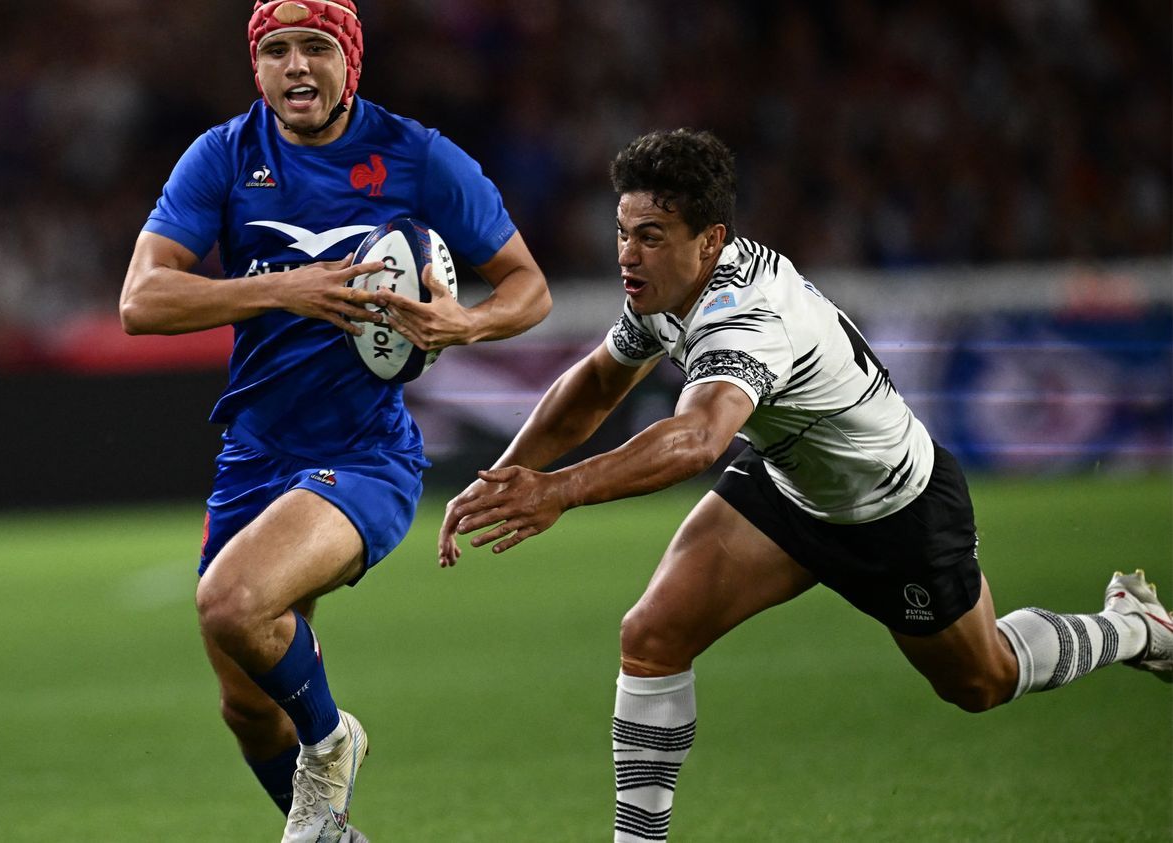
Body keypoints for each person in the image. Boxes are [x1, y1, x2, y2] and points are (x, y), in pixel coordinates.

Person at [438, 129, 1171, 843]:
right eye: (623, 230)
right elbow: (596, 383)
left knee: (982, 680)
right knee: (653, 634)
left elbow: (697, 438)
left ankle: (1134, 625)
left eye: (651, 235)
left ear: (711, 240)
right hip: (788, 485)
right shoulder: (665, 288)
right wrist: (507, 474)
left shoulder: (748, 319)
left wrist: (558, 491)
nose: (628, 253)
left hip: (895, 507)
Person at [119, 2, 551, 841]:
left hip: (363, 453)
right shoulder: (223, 156)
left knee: (232, 602)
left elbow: (525, 285)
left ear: (351, 60)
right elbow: (141, 301)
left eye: (316, 47)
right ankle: (331, 831)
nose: (296, 68)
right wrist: (283, 287)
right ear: (257, 67)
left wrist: (469, 323)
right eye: (275, 51)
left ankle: (331, 739)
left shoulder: (416, 156)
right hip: (253, 454)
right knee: (245, 708)